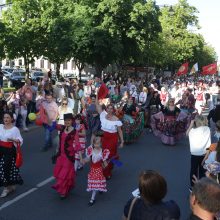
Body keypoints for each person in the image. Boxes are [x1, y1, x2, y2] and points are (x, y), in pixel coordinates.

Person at [52, 113, 81, 199]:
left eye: (69, 120)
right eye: (66, 120)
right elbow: (53, 124)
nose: (67, 122)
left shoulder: (74, 131)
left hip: (69, 155)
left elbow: (78, 144)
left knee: (64, 174)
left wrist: (81, 158)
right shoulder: (62, 128)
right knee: (61, 173)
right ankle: (66, 187)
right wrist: (46, 116)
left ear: (72, 121)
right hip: (61, 155)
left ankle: (63, 192)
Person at [95, 93, 124, 179]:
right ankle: (105, 170)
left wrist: (122, 141)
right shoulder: (103, 115)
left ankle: (107, 172)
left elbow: (120, 131)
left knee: (109, 155)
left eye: (111, 108)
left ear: (113, 110)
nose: (110, 110)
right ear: (106, 109)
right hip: (104, 138)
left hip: (112, 139)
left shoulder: (116, 119)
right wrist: (98, 94)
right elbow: (97, 104)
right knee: (103, 155)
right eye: (108, 108)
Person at [82, 134, 110, 206]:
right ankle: (100, 188)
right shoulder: (90, 150)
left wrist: (105, 164)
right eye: (95, 143)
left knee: (96, 184)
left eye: (98, 143)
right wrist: (84, 161)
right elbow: (88, 159)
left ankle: (92, 199)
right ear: (93, 143)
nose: (97, 145)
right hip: (92, 170)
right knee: (96, 182)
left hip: (99, 169)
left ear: (101, 143)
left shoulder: (103, 152)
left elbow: (105, 163)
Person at [0, 112, 23, 197]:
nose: (6, 119)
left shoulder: (15, 129)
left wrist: (14, 140)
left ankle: (6, 188)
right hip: (1, 149)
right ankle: (9, 186)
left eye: (8, 117)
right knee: (2, 168)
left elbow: (20, 140)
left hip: (9, 151)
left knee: (5, 168)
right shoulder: (0, 127)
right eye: (4, 117)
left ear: (11, 119)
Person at [186, 115, 211, 187]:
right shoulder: (207, 129)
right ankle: (202, 186)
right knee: (202, 171)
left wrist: (191, 125)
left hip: (194, 154)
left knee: (193, 170)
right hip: (204, 154)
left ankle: (193, 186)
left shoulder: (192, 131)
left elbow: (186, 134)